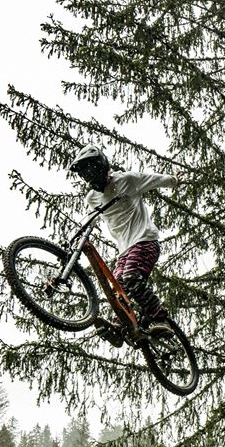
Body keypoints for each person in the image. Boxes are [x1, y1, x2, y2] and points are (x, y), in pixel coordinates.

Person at [68, 143, 181, 345]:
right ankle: (122, 328)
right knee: (118, 287)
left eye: (92, 171)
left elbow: (155, 180)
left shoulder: (127, 180)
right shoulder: (92, 198)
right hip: (125, 251)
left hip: (145, 240)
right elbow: (90, 221)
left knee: (131, 277)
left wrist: (174, 181)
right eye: (86, 174)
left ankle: (160, 318)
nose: (90, 177)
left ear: (102, 167)